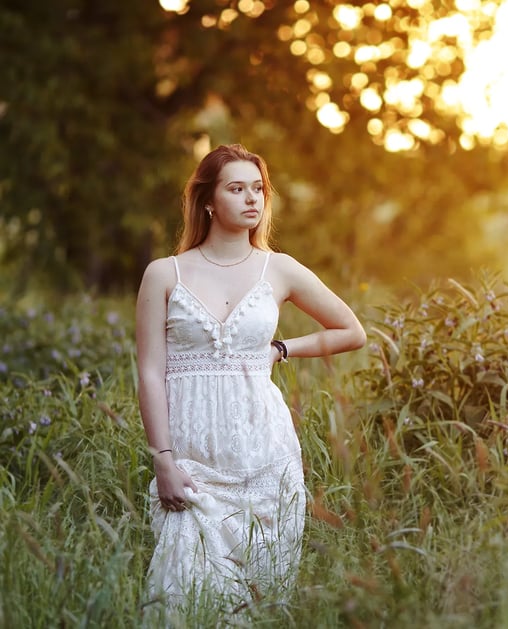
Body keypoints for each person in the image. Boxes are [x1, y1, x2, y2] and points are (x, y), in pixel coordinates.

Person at [135, 144, 367, 611]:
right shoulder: (165, 274)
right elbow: (150, 370)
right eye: (236, 188)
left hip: (265, 456)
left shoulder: (278, 268)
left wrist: (281, 349)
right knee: (183, 597)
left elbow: (351, 331)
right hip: (191, 461)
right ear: (208, 200)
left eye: (258, 189)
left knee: (257, 603)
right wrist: (163, 458)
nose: (251, 199)